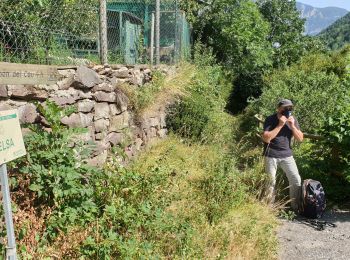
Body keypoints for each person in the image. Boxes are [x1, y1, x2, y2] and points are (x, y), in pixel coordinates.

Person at [262, 99, 304, 211]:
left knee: (296, 179)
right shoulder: (270, 119)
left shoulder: (293, 119)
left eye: (289, 108)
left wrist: (292, 126)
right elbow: (266, 138)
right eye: (284, 108)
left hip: (287, 154)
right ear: (278, 108)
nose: (287, 110)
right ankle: (268, 208)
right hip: (271, 154)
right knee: (270, 182)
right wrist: (280, 124)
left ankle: (295, 206)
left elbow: (300, 139)